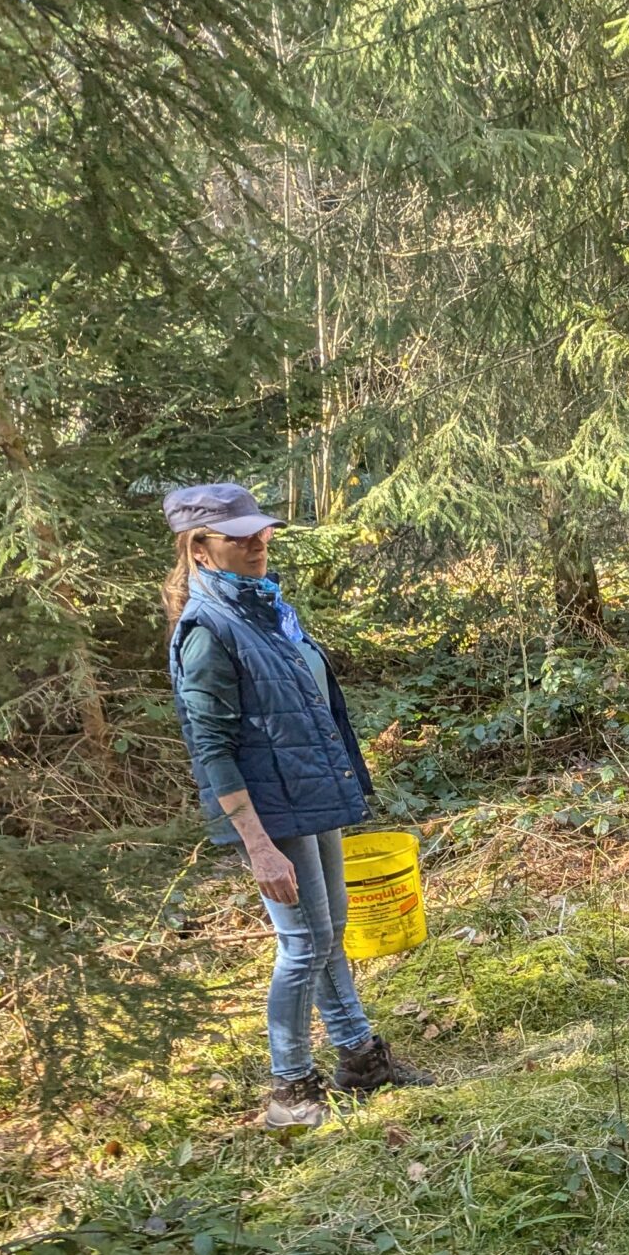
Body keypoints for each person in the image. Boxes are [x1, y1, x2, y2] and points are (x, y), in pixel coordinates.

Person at [161, 482, 423, 1128]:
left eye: (261, 529)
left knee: (331, 935)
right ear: (200, 548)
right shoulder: (207, 627)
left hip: (307, 791)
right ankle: (289, 1090)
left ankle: (360, 1058)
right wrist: (255, 842)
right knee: (303, 945)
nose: (257, 542)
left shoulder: (267, 610)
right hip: (269, 811)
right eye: (237, 535)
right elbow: (210, 744)